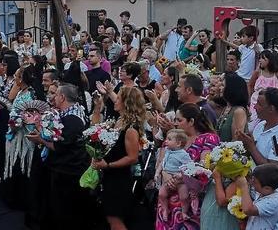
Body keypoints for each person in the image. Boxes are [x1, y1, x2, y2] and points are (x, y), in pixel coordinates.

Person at [236, 87, 278, 228]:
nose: (255, 107)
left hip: (275, 199)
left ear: (271, 108)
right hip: (257, 193)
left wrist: (251, 146)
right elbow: (252, 152)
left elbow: (271, 168)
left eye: (259, 104)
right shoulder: (261, 125)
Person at [34, 83, 92, 228]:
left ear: (62, 97)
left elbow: (60, 146)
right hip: (66, 169)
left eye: (56, 94)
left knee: (63, 210)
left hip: (68, 171)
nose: (53, 97)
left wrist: (40, 139)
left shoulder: (72, 119)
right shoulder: (73, 113)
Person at [92, 86, 146, 230]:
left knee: (115, 220)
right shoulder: (119, 122)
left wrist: (108, 165)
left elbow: (132, 158)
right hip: (111, 177)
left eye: (119, 98)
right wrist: (97, 109)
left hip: (119, 180)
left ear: (126, 102)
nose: (115, 100)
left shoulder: (130, 129)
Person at [157, 129, 194, 220]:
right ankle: (165, 209)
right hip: (167, 179)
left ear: (178, 143)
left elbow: (190, 166)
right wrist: (158, 172)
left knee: (184, 197)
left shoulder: (183, 154)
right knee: (161, 194)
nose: (166, 141)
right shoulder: (167, 151)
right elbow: (162, 163)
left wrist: (181, 175)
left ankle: (184, 212)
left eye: (169, 139)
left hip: (180, 181)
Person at [235, 164, 278, 230]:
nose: (252, 182)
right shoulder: (262, 192)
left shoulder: (273, 202)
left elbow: (248, 210)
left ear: (267, 188)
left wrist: (244, 187)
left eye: (255, 181)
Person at [248, 49, 278, 128]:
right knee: (254, 124)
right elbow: (250, 84)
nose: (260, 60)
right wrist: (249, 99)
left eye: (263, 59)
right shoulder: (258, 72)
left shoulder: (276, 72)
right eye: (260, 58)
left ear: (270, 61)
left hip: (271, 104)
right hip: (256, 102)